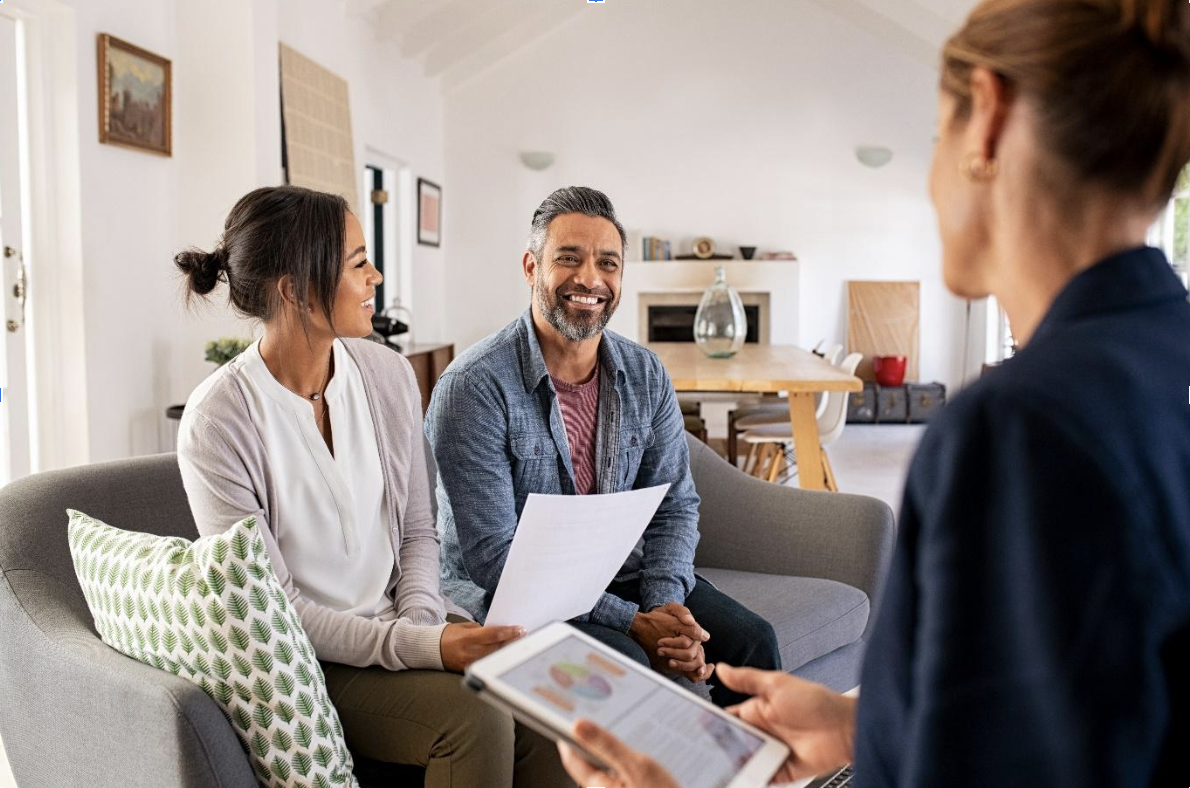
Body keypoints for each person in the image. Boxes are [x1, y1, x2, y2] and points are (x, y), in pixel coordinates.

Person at [557, 0, 1190, 785]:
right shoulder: (1161, 360)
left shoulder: (1016, 430)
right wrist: (867, 724)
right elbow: (1085, 715)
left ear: (987, 119)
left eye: (935, 140)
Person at [174, 185, 571, 788]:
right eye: (359, 263)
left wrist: (421, 630)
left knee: (547, 698)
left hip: (406, 621)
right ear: (293, 289)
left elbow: (417, 533)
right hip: (315, 659)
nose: (376, 277)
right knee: (476, 718)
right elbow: (275, 611)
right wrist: (423, 648)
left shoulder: (386, 374)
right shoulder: (219, 422)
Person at [424, 186, 781, 707]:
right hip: (515, 595)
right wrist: (635, 625)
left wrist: (665, 611)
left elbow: (674, 506)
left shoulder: (645, 373)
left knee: (754, 643)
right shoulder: (474, 387)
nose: (589, 278)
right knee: (628, 665)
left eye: (607, 263)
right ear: (530, 267)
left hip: (623, 572)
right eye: (568, 259)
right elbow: (494, 560)